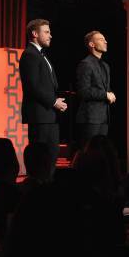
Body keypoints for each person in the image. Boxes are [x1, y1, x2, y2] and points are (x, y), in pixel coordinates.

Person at [19, 18, 67, 178]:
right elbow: (32, 86)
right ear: (34, 33)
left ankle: (47, 191)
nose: (50, 35)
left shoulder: (41, 55)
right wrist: (54, 102)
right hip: (39, 115)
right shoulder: (29, 55)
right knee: (40, 159)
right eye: (46, 32)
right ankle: (38, 191)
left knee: (52, 155)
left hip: (49, 115)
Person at [76, 31, 115, 150]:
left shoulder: (106, 66)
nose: (105, 41)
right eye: (101, 39)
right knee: (89, 152)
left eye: (105, 39)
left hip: (104, 116)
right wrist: (105, 95)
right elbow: (83, 91)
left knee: (101, 153)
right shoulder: (85, 64)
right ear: (92, 44)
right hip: (90, 118)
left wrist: (110, 94)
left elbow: (104, 88)